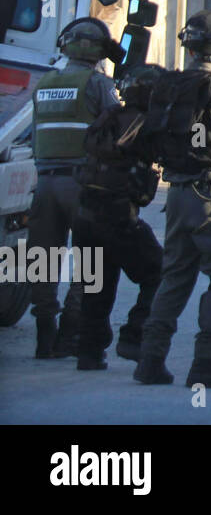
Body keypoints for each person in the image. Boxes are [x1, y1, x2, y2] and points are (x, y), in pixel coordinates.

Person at [135, 11, 211, 388]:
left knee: (174, 276)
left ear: (188, 44)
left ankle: (150, 360)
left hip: (175, 193)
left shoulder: (170, 84)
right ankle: (206, 363)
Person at [29, 18, 124, 358]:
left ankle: (44, 334)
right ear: (100, 51)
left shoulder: (45, 82)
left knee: (42, 257)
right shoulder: (98, 83)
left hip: (44, 185)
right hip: (82, 183)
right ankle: (72, 330)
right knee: (90, 258)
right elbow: (119, 127)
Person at [72, 64, 165, 371]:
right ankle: (133, 336)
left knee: (96, 284)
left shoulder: (107, 117)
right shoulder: (146, 124)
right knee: (160, 273)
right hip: (118, 215)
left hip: (84, 214)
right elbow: (178, 155)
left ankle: (89, 352)